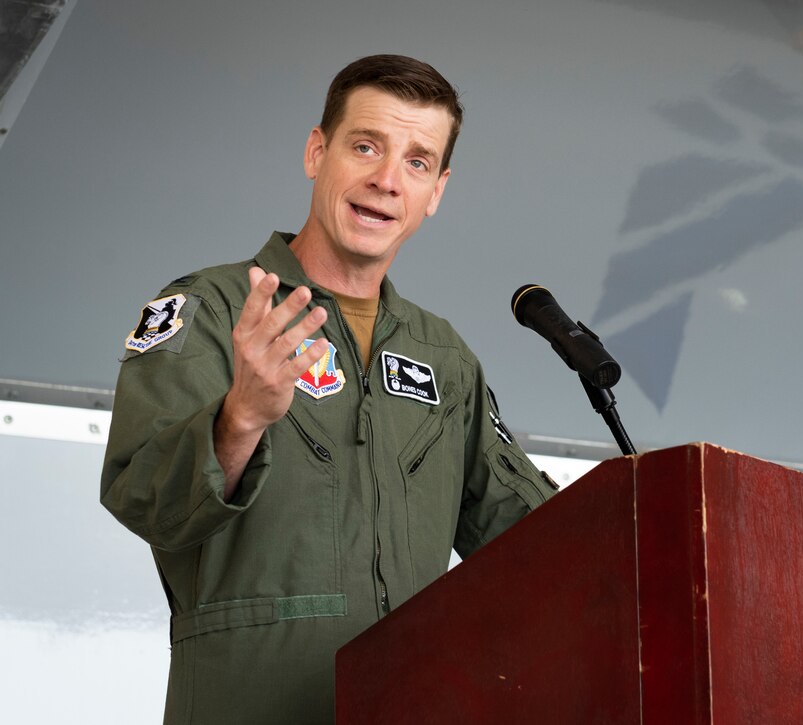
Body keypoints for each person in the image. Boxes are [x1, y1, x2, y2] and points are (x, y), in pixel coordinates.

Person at [100, 54, 558, 725]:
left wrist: (640, 514)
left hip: (411, 702)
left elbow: (528, 539)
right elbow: (143, 499)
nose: (386, 181)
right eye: (366, 146)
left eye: (417, 161)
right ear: (317, 152)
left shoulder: (443, 355)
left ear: (437, 191)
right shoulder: (212, 309)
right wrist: (241, 417)